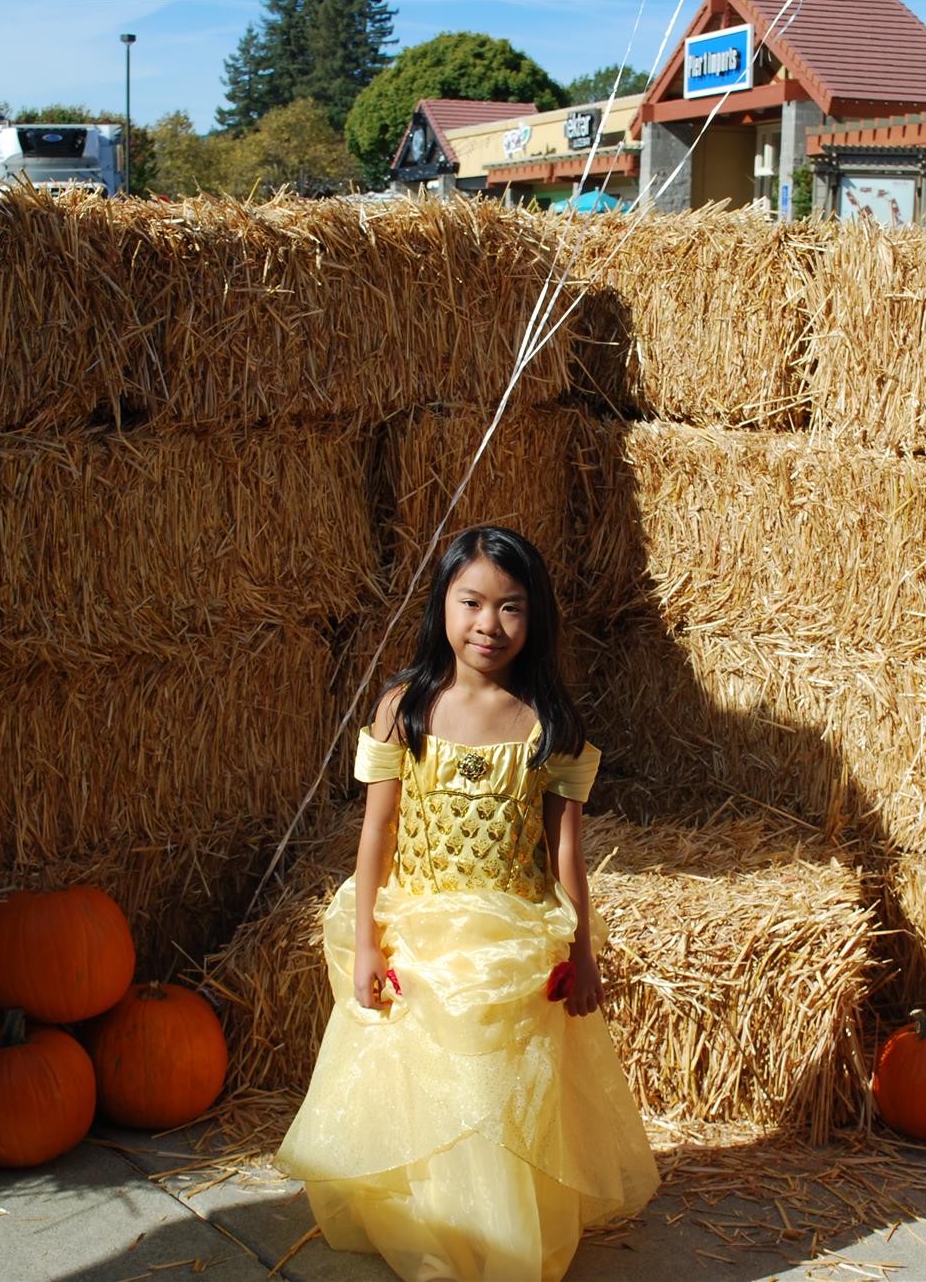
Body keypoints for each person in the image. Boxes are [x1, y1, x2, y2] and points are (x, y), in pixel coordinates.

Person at [275, 525, 660, 1281]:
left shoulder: (550, 723)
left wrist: (581, 952)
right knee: (425, 1080)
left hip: (512, 931)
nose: (490, 624)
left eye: (511, 607)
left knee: (497, 1082)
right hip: (419, 922)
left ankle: (501, 1229)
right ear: (442, 605)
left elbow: (565, 852)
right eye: (472, 602)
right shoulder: (404, 707)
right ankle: (435, 1224)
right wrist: (367, 942)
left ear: (535, 616)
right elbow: (376, 833)